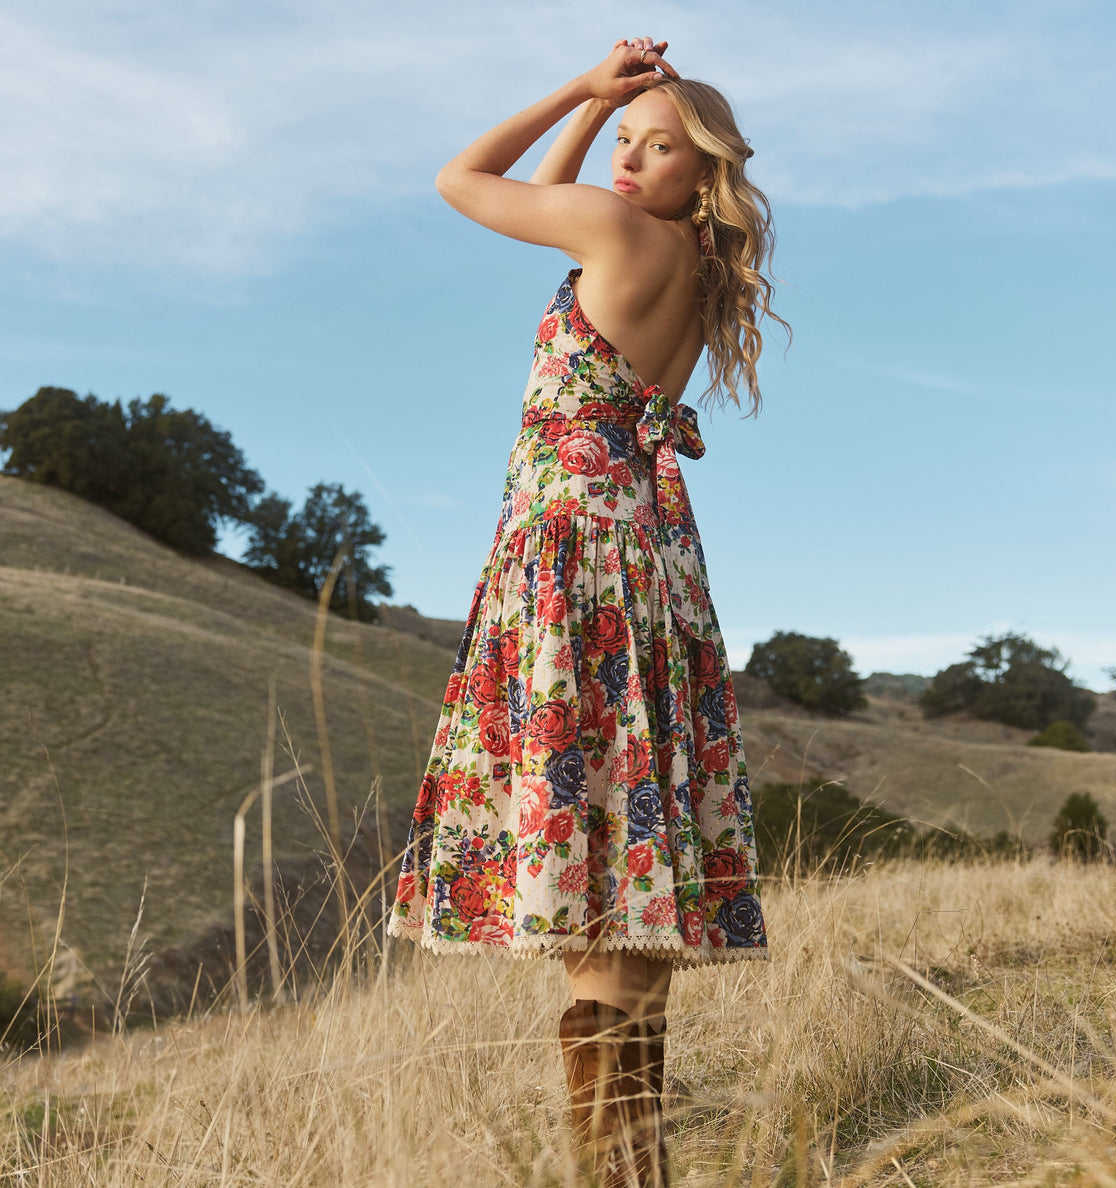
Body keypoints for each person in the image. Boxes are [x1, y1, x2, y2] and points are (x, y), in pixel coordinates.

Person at [388, 36, 788, 1186]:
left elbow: (462, 182)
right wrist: (602, 121)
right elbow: (548, 201)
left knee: (594, 900)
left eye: (657, 146)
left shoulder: (613, 234)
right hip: (650, 566)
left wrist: (575, 89)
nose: (628, 158)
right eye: (624, 138)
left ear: (700, 172)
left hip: (573, 563)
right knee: (625, 887)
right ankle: (634, 1168)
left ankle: (617, 1177)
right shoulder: (696, 269)